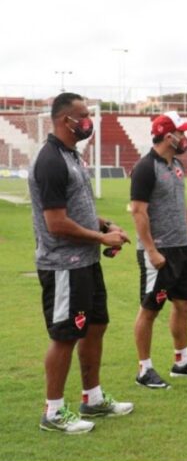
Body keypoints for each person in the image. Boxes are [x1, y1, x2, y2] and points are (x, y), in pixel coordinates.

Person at [29, 92, 133, 434]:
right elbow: (55, 223)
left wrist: (103, 224)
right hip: (63, 265)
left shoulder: (71, 156)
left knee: (95, 325)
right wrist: (102, 238)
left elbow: (77, 208)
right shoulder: (50, 161)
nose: (89, 121)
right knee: (65, 335)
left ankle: (92, 397)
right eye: (84, 115)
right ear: (65, 120)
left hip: (85, 262)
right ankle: (54, 412)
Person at [132, 111, 187, 389]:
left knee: (184, 304)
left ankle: (182, 361)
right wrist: (151, 251)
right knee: (150, 309)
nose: (184, 137)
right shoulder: (145, 167)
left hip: (182, 249)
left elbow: (181, 203)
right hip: (160, 252)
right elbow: (139, 212)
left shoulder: (176, 164)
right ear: (169, 136)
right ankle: (144, 370)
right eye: (181, 132)